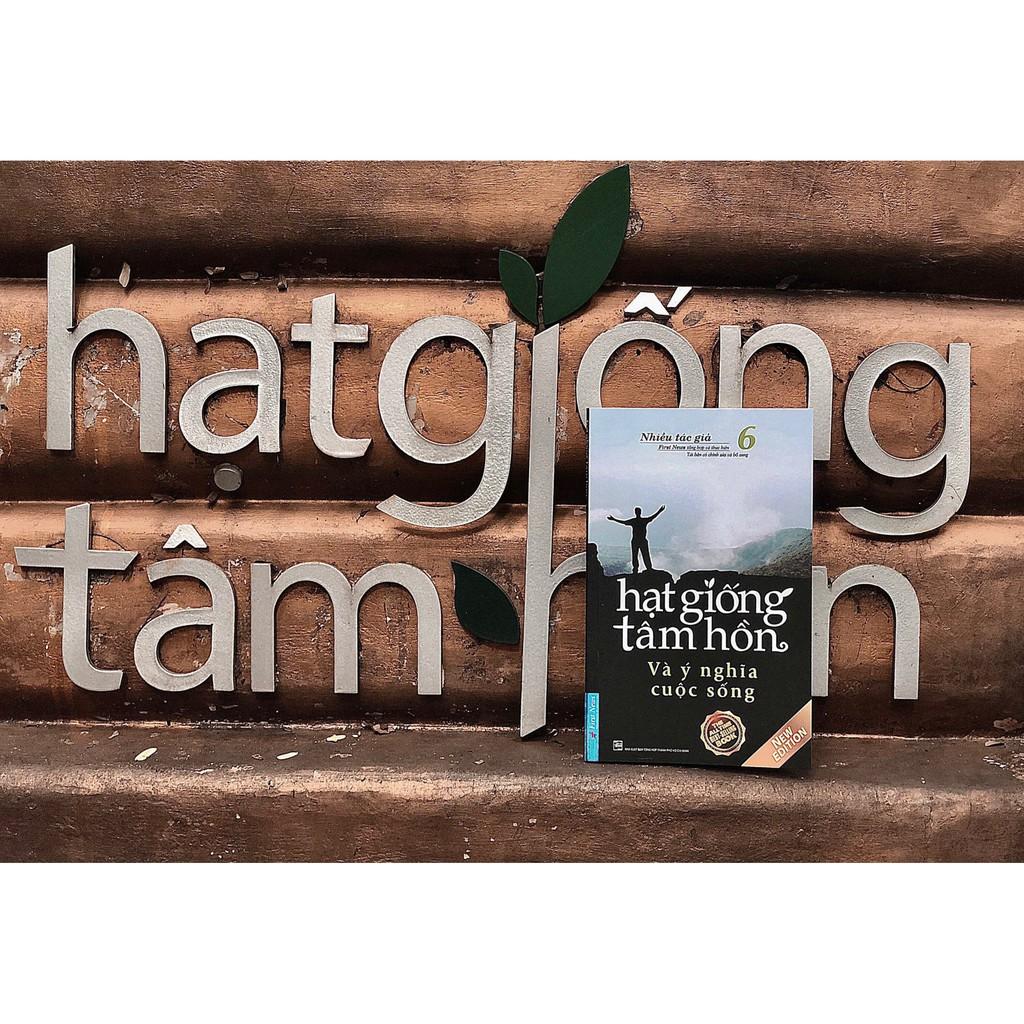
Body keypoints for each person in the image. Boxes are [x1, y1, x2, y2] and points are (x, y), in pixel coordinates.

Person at [607, 505, 666, 574]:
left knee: (639, 555)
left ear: (636, 513)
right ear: (639, 512)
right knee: (641, 555)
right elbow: (652, 517)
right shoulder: (642, 520)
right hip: (639, 541)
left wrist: (614, 519)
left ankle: (640, 569)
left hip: (637, 541)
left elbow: (624, 522)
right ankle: (644, 568)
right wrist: (660, 511)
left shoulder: (635, 521)